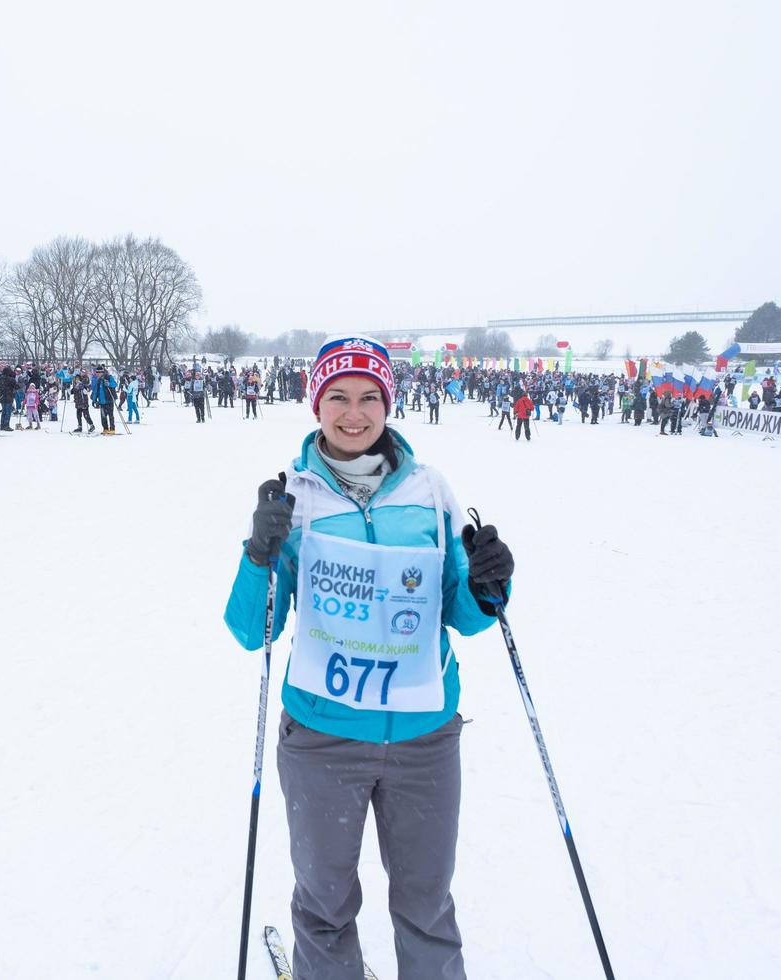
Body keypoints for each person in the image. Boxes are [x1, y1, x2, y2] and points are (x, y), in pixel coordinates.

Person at [223, 335, 512, 980]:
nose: (354, 414)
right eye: (338, 397)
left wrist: (490, 581)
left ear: (388, 405)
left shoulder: (431, 492)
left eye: (369, 398)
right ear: (316, 404)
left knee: (426, 904)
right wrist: (258, 554)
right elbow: (253, 631)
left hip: (424, 736)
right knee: (325, 904)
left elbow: (465, 615)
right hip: (323, 738)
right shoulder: (293, 499)